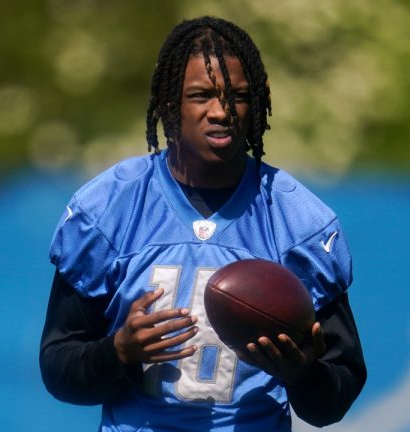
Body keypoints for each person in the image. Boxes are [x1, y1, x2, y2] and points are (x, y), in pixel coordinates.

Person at [39, 16, 366, 431]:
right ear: (169, 105)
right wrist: (118, 351)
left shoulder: (298, 221)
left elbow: (334, 398)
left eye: (238, 96)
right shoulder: (110, 207)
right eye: (202, 95)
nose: (221, 112)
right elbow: (58, 369)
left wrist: (302, 373)